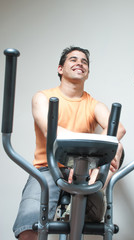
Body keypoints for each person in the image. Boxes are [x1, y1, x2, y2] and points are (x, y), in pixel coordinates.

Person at [13, 46, 126, 239]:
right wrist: (89, 150)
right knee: (29, 229)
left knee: (118, 147)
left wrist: (90, 163)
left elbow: (119, 129)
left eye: (84, 62)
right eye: (73, 60)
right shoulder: (43, 97)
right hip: (48, 169)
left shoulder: (94, 104)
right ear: (60, 68)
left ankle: (94, 187)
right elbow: (53, 132)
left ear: (87, 73)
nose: (79, 63)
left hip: (84, 171)